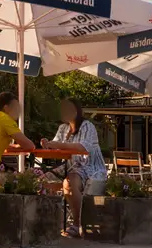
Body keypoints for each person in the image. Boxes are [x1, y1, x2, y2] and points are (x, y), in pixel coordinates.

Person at [40, 99, 106, 239]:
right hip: (69, 166)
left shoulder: (88, 127)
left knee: (69, 183)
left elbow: (83, 148)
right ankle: (50, 222)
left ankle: (77, 224)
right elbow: (56, 145)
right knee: (40, 181)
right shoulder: (63, 128)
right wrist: (47, 144)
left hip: (88, 166)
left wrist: (56, 144)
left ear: (76, 111)